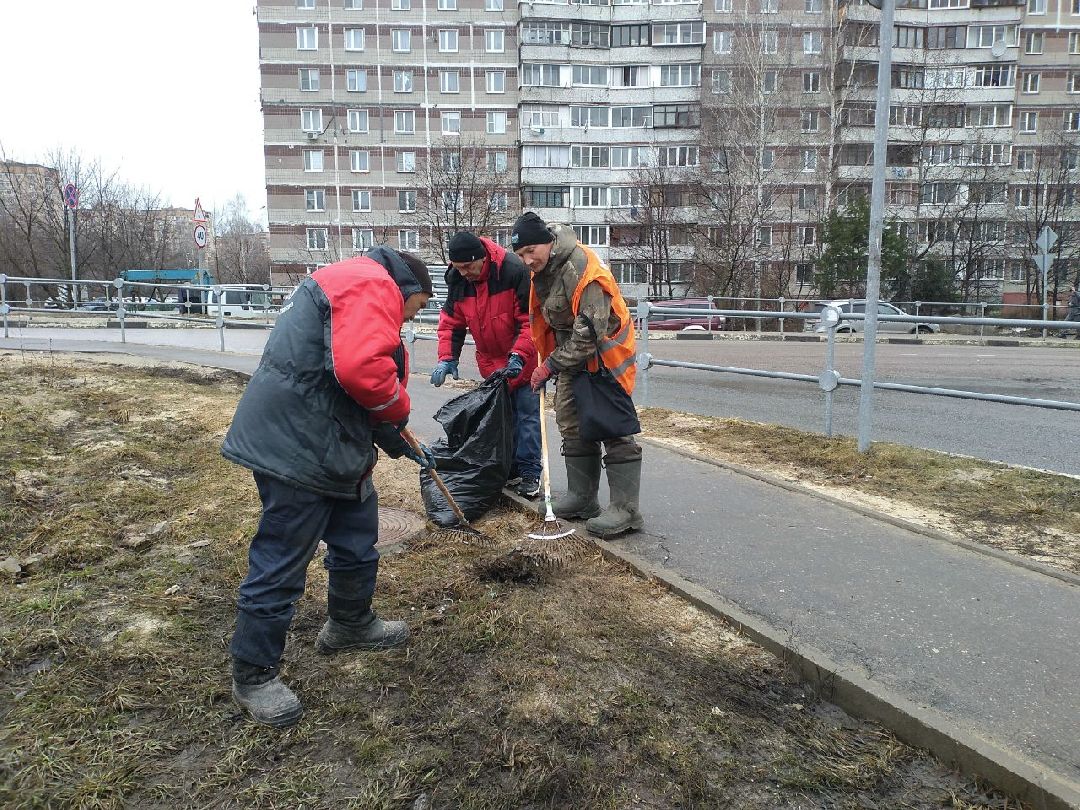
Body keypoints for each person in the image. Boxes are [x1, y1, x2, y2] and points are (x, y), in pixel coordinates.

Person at [220, 246, 435, 728]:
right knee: (281, 557)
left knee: (358, 534)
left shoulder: (356, 283)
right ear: (408, 290)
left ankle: (350, 623)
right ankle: (253, 674)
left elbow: (344, 374)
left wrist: (395, 438)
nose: (407, 320)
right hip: (297, 447)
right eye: (416, 308)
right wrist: (399, 411)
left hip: (333, 444)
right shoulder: (372, 281)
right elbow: (361, 371)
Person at [511, 211, 643, 537]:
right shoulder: (546, 269)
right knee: (571, 423)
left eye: (531, 251)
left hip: (605, 358)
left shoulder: (584, 269)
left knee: (613, 429)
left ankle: (627, 510)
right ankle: (583, 499)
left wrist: (549, 365)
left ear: (549, 243)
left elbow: (589, 332)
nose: (527, 260)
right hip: (572, 358)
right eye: (520, 255)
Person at [430, 231, 542, 497]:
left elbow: (531, 322)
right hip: (491, 365)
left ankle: (529, 472)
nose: (465, 273)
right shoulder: (458, 279)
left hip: (522, 360)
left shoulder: (513, 271)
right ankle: (510, 468)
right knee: (501, 418)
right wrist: (447, 357)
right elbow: (451, 323)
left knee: (526, 416)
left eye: (469, 266)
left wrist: (519, 355)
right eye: (459, 268)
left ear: (482, 258)